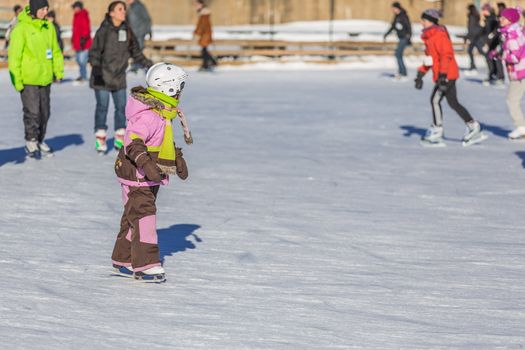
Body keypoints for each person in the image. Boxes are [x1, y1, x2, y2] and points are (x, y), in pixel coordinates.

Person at [112, 62, 192, 282]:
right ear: (169, 89)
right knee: (144, 217)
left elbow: (161, 142)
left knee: (133, 217)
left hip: (146, 175)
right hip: (137, 174)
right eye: (179, 87)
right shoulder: (149, 116)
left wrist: (177, 159)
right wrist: (146, 164)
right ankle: (146, 264)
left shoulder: (162, 112)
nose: (181, 93)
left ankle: (123, 258)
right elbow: (133, 142)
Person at [414, 9, 487, 147]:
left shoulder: (439, 35)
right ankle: (473, 126)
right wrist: (420, 74)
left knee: (435, 100)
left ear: (430, 21)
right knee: (453, 102)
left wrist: (442, 75)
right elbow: (431, 59)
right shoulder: (429, 37)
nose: (421, 23)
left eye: (424, 20)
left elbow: (446, 56)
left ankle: (437, 130)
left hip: (447, 75)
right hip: (445, 75)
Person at [88, 0, 153, 153]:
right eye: (120, 9)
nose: (123, 12)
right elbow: (94, 52)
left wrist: (148, 64)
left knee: (121, 108)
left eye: (124, 9)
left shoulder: (127, 30)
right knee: (102, 107)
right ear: (111, 13)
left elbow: (135, 52)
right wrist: (96, 69)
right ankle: (100, 137)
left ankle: (119, 135)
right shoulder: (103, 31)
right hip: (102, 77)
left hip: (118, 77)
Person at [8, 0, 64, 158]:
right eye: (42, 8)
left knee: (45, 112)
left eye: (47, 8)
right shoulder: (21, 29)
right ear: (34, 9)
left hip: (45, 78)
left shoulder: (49, 27)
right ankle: (31, 141)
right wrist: (17, 80)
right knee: (32, 112)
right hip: (28, 79)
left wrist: (58, 70)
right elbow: (14, 57)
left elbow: (56, 50)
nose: (45, 11)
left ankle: (40, 140)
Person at [492, 8, 525, 140]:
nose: (500, 19)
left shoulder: (511, 35)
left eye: (503, 18)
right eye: (500, 17)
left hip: (520, 72)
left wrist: (501, 55)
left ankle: (522, 127)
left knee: (512, 100)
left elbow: (516, 56)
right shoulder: (516, 31)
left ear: (510, 20)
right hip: (521, 71)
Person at [384, 1, 412, 81]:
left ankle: (403, 73)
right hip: (401, 38)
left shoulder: (403, 15)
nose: (392, 10)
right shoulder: (396, 16)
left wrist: (408, 37)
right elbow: (393, 26)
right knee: (398, 55)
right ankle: (401, 72)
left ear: (397, 8)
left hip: (404, 38)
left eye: (393, 8)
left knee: (398, 54)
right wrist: (387, 34)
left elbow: (409, 26)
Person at [482, 3, 505, 85]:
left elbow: (496, 30)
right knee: (491, 59)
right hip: (492, 41)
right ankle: (494, 75)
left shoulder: (493, 18)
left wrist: (490, 39)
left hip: (496, 42)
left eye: (484, 10)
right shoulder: (491, 18)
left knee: (496, 59)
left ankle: (499, 77)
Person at [125, 0, 152, 72]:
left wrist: (149, 31)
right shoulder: (130, 7)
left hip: (139, 32)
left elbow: (147, 18)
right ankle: (136, 65)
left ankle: (137, 65)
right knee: (133, 49)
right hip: (132, 33)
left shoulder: (139, 6)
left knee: (138, 49)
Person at [71, 1, 92, 85]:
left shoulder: (83, 15)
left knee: (82, 61)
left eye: (75, 7)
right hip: (77, 42)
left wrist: (84, 37)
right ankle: (82, 75)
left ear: (79, 7)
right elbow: (75, 29)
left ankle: (84, 76)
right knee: (79, 60)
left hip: (83, 43)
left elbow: (86, 28)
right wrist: (73, 39)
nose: (74, 9)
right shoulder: (76, 15)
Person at [194, 0, 217, 72]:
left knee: (204, 51)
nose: (196, 6)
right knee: (204, 50)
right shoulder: (203, 14)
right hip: (205, 35)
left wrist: (197, 34)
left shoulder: (204, 14)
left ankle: (208, 64)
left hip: (204, 35)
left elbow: (202, 26)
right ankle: (208, 64)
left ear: (201, 5)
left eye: (197, 4)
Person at [466, 4, 484, 72]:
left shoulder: (472, 16)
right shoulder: (475, 15)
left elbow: (471, 28)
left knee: (480, 51)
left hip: (474, 36)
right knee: (471, 51)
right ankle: (472, 65)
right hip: (475, 35)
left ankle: (473, 66)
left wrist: (469, 36)